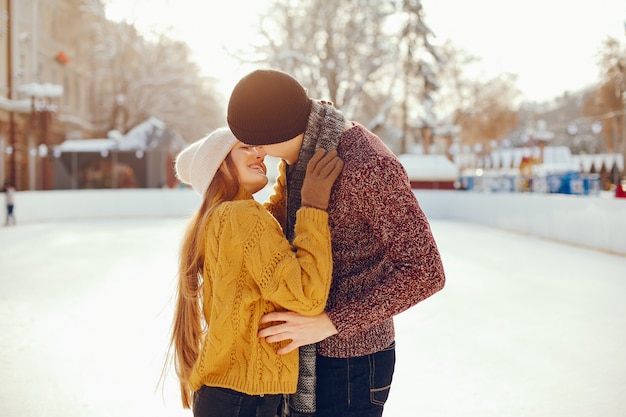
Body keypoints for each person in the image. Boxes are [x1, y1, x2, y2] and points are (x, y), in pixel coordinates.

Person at [226, 69, 446, 417]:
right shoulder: (303, 154)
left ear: (273, 135)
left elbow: (425, 271)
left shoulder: (367, 166)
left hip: (352, 365)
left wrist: (329, 322)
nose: (257, 153)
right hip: (305, 353)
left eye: (255, 143)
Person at [167, 127, 343, 417]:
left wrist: (289, 173)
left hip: (229, 396)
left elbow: (267, 238)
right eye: (245, 148)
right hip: (246, 401)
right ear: (219, 166)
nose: (259, 152)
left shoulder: (223, 215)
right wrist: (313, 207)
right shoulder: (243, 217)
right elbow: (308, 295)